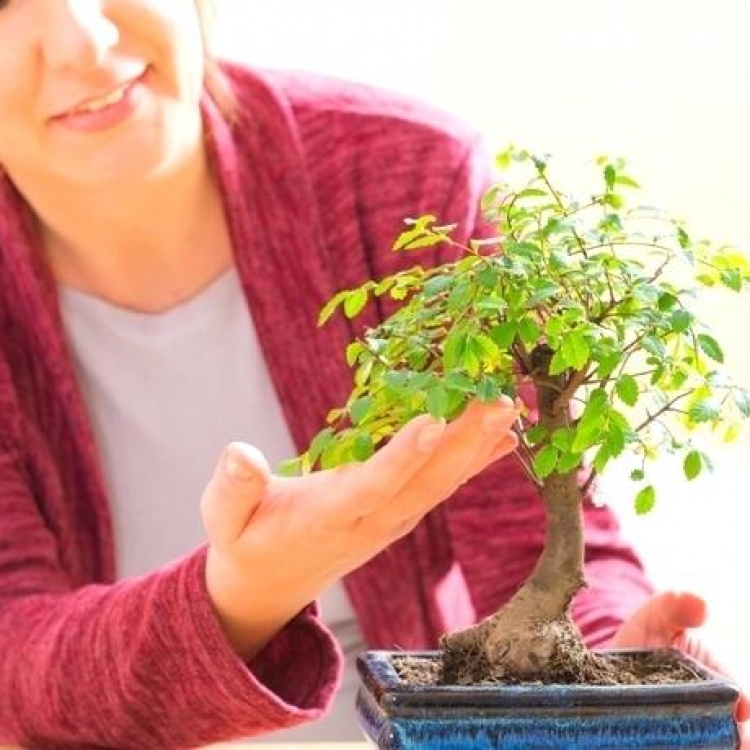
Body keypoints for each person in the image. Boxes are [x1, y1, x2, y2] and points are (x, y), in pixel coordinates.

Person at [0, 1, 746, 748]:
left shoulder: (405, 178)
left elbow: (538, 531)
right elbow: (15, 667)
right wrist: (248, 593)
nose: (85, 42)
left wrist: (608, 665)